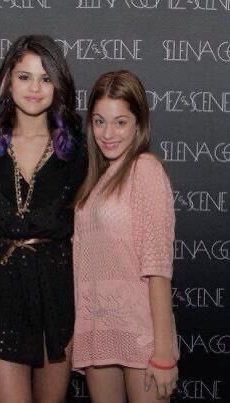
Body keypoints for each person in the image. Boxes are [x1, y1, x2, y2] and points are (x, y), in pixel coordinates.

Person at [0, 35, 86, 403]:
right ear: (7, 80)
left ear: (58, 86)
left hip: (56, 292)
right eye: (24, 76)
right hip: (0, 292)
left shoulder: (76, 152)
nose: (35, 88)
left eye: (45, 78)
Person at [73, 70, 178, 403]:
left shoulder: (144, 169)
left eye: (120, 122)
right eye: (100, 121)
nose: (108, 133)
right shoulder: (96, 180)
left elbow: (157, 266)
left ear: (138, 123)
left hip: (140, 333)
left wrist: (162, 352)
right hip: (97, 331)